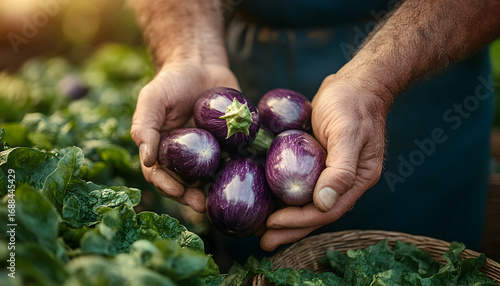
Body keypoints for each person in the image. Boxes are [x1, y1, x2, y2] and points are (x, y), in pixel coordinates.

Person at [129, 0, 500, 270]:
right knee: (254, 259)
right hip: (238, 55)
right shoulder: (242, 118)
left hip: (422, 79)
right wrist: (190, 51)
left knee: (423, 267)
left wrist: (376, 85)